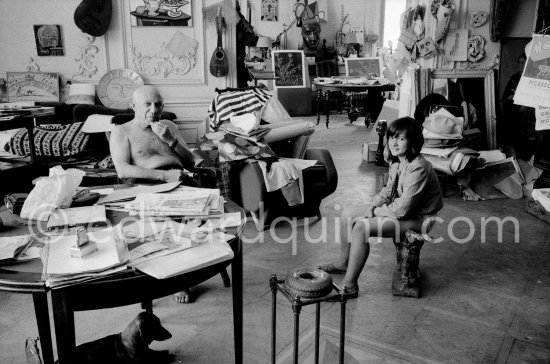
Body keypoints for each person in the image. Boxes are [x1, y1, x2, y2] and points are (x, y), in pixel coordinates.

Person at [318, 117, 444, 298]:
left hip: (419, 218)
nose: (394, 142)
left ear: (413, 141)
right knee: (348, 214)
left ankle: (350, 285)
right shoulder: (398, 161)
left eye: (401, 138)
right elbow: (388, 190)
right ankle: (343, 262)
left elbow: (402, 209)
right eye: (392, 137)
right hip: (404, 210)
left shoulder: (419, 167)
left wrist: (375, 212)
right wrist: (372, 206)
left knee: (361, 227)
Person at [110, 85, 198, 303]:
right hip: (149, 186)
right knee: (171, 226)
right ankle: (177, 279)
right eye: (147, 104)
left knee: (203, 220)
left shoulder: (168, 126)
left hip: (182, 182)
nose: (154, 109)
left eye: (158, 104)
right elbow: (123, 170)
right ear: (133, 106)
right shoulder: (122, 131)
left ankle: (189, 269)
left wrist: (171, 140)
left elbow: (190, 162)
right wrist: (163, 177)